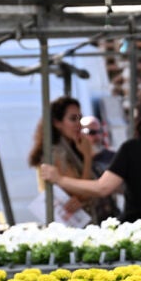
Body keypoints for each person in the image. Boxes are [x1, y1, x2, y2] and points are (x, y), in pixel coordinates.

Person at [28, 96, 115, 225]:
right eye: (73, 119)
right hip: (73, 226)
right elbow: (83, 191)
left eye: (80, 118)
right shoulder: (56, 153)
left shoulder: (74, 147)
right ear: (57, 123)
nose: (78, 124)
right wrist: (87, 157)